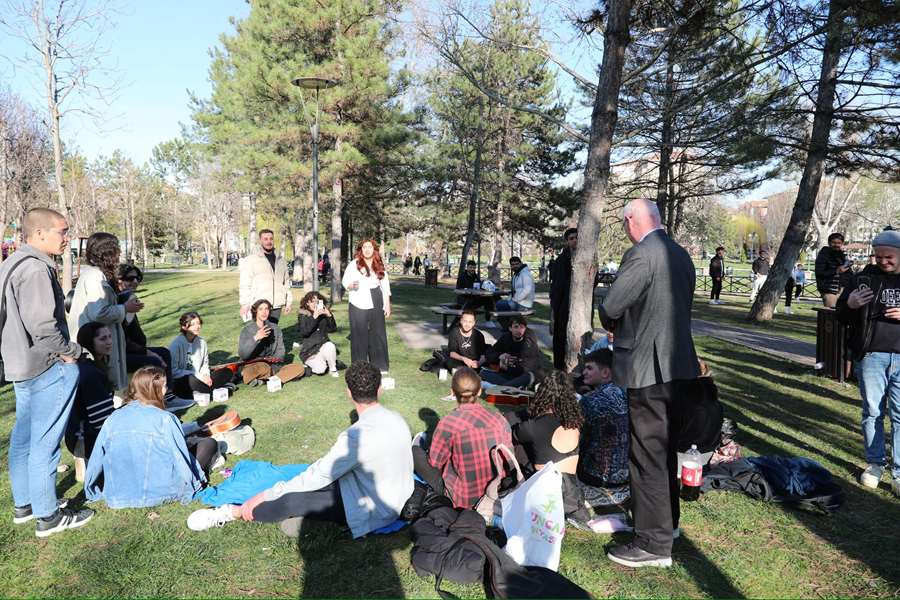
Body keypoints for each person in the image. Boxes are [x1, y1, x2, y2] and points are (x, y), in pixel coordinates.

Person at [186, 362, 414, 537]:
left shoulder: (355, 436)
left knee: (292, 499)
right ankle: (306, 519)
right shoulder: (398, 419)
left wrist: (265, 495)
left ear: (348, 392)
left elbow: (318, 476)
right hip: (391, 495)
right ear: (380, 389)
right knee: (307, 482)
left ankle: (230, 512)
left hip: (373, 508)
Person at [598, 198, 700, 568]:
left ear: (631, 222)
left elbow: (611, 306)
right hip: (679, 367)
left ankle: (653, 544)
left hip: (648, 368)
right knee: (666, 451)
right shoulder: (681, 254)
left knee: (647, 456)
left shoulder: (642, 254)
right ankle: (665, 524)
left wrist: (608, 316)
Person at [1, 207, 94, 536]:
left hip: (20, 366)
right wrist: (72, 353)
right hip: (44, 367)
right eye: (62, 231)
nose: (66, 238)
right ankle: (48, 517)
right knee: (45, 443)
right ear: (39, 234)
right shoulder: (37, 269)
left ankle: (26, 505)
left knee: (23, 440)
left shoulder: (11, 263)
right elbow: (43, 327)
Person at [84, 366, 214, 508]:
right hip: (163, 490)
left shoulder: (111, 419)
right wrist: (193, 484)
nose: (166, 390)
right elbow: (180, 457)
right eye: (164, 386)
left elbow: (96, 457)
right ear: (154, 390)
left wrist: (90, 488)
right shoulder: (166, 419)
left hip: (119, 493)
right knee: (208, 444)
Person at [836, 229, 900, 497]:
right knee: (872, 412)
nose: (882, 261)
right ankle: (875, 464)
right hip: (872, 356)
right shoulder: (863, 278)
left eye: (888, 257)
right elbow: (840, 313)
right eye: (878, 256)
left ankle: (899, 472)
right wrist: (849, 303)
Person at [412, 368, 512, 509]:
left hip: (462, 500)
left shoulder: (449, 423)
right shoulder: (499, 419)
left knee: (416, 452)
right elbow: (508, 457)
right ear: (479, 391)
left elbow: (435, 463)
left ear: (453, 392)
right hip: (495, 493)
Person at [512, 370, 591, 524]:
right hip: (572, 490)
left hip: (547, 490)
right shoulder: (575, 422)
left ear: (542, 394)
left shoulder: (534, 426)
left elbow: (514, 434)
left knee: (519, 445)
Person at [67, 232, 142, 392]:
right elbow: (99, 313)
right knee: (104, 387)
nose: (119, 254)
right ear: (108, 252)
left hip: (99, 341)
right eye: (117, 249)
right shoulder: (94, 277)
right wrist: (125, 308)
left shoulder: (95, 274)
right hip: (94, 344)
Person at [577, 350, 629, 492]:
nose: (584, 372)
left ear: (605, 373)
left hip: (596, 476)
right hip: (627, 474)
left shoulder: (589, 400)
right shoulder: (626, 394)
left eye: (589, 368)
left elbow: (576, 434)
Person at [67, 322, 118, 462]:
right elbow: (101, 420)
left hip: (89, 434)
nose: (109, 342)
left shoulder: (90, 365)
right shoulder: (90, 373)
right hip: (89, 439)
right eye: (103, 339)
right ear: (89, 342)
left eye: (109, 337)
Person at [342, 239, 391, 372]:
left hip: (376, 298)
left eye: (370, 247)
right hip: (357, 300)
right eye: (364, 247)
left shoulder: (379, 264)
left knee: (378, 333)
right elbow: (345, 280)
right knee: (358, 334)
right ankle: (359, 366)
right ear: (361, 249)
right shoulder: (354, 264)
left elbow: (385, 285)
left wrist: (387, 305)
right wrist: (351, 285)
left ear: (374, 250)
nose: (367, 249)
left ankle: (380, 365)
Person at [117, 264, 171, 376]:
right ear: (118, 280)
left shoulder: (129, 300)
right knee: (155, 361)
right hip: (121, 354)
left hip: (134, 350)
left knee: (164, 352)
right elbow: (123, 340)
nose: (135, 282)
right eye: (130, 278)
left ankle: (168, 391)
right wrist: (146, 352)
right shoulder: (118, 303)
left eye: (138, 278)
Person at [238, 299, 305, 386]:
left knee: (299, 368)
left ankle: (269, 380)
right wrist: (256, 338)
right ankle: (273, 378)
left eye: (266, 309)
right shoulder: (247, 330)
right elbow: (243, 354)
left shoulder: (275, 328)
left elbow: (280, 350)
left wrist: (275, 360)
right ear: (255, 312)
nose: (264, 312)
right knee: (261, 368)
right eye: (261, 309)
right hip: (253, 365)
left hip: (273, 366)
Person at [169, 311, 235, 399]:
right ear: (184, 327)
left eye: (198, 323)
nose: (197, 327)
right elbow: (174, 371)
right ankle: (216, 392)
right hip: (184, 380)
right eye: (192, 324)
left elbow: (204, 364)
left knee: (227, 372)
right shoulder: (176, 344)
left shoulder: (202, 342)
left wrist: (206, 375)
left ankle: (202, 393)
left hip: (201, 378)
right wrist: (199, 376)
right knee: (191, 380)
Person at [239, 229, 292, 324]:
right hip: (259, 306)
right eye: (265, 239)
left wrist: (288, 301)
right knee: (258, 335)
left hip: (276, 306)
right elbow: (245, 284)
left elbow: (286, 282)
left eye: (271, 239)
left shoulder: (281, 261)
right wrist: (244, 304)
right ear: (260, 241)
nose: (269, 241)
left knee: (272, 334)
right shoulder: (251, 260)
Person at [481, 316, 543, 389]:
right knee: (483, 373)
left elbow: (529, 367)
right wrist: (500, 356)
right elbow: (490, 352)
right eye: (516, 327)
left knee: (529, 376)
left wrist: (506, 367)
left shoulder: (529, 340)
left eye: (522, 327)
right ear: (510, 328)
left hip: (525, 375)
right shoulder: (506, 337)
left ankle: (503, 388)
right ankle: (513, 387)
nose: (519, 330)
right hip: (509, 376)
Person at [550, 228, 577, 369]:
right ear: (567, 241)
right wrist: (555, 308)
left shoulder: (586, 257)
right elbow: (557, 286)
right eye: (571, 238)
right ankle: (559, 368)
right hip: (562, 306)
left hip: (580, 306)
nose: (574, 240)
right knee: (560, 338)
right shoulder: (561, 260)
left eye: (576, 237)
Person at [296, 291, 339, 377]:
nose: (315, 304)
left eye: (317, 301)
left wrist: (329, 315)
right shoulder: (303, 315)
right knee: (320, 370)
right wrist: (314, 317)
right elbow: (304, 332)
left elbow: (333, 329)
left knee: (330, 345)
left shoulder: (323, 314)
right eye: (312, 301)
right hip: (309, 351)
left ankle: (333, 369)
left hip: (323, 347)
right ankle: (310, 365)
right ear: (307, 303)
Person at [815, 232, 849, 308]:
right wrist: (836, 271)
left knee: (840, 315)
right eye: (834, 242)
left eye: (839, 243)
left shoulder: (842, 255)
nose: (836, 245)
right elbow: (819, 272)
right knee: (830, 314)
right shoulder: (824, 254)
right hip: (829, 289)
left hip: (841, 289)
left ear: (842, 243)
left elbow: (847, 273)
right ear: (829, 243)